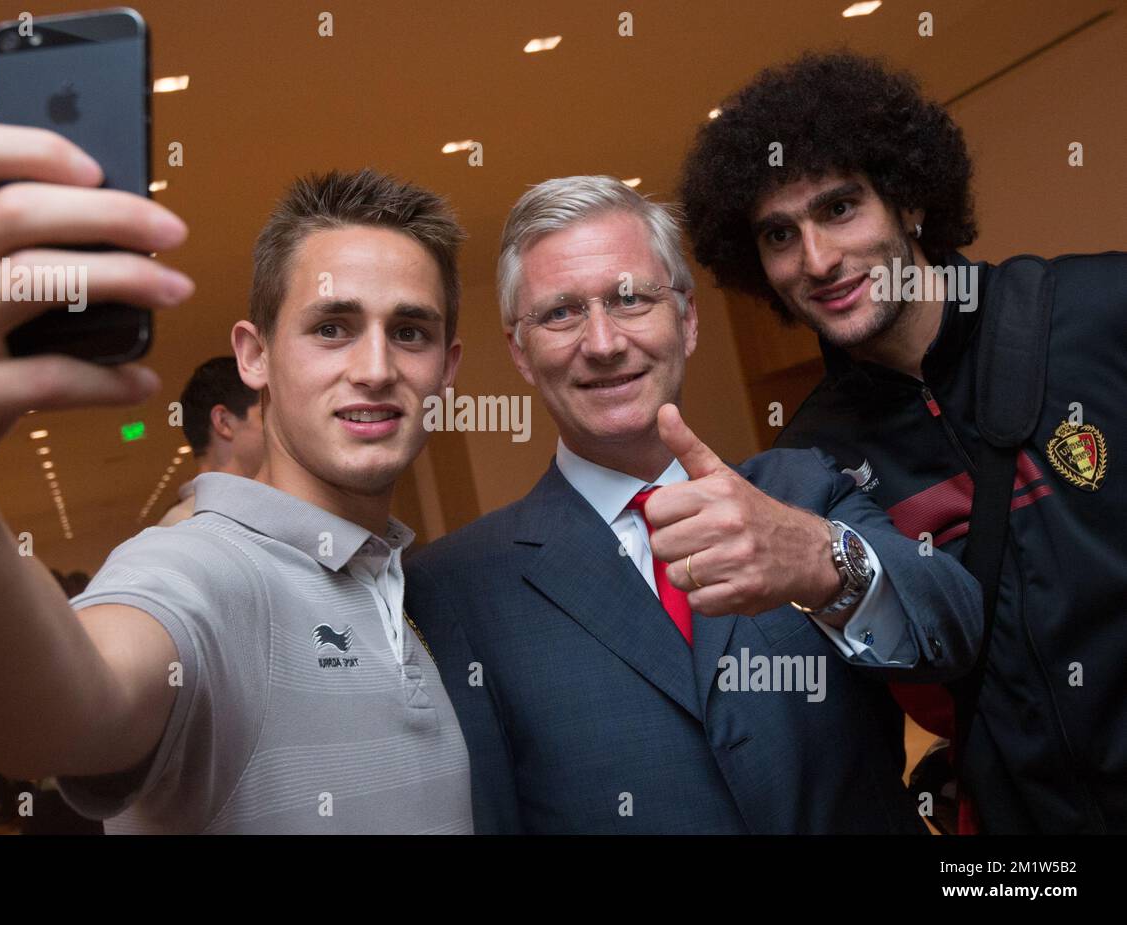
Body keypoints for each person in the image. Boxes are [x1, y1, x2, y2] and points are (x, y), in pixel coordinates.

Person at [0, 123, 470, 834]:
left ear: (447, 368)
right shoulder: (202, 567)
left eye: (409, 332)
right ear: (254, 357)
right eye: (331, 327)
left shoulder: (396, 576)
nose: (377, 368)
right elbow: (66, 709)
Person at [404, 176, 982, 833]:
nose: (602, 342)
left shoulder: (800, 486)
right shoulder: (457, 586)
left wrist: (820, 561)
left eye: (630, 299)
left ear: (687, 320)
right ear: (521, 352)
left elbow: (954, 628)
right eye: (561, 312)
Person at [679, 51, 1127, 833]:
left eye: (841, 207)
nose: (817, 260)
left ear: (909, 199)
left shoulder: (1097, 313)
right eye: (781, 234)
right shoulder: (807, 465)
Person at [159, 356, 264, 526]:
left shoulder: (254, 510)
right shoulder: (188, 530)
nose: (278, 429)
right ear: (223, 422)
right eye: (264, 416)